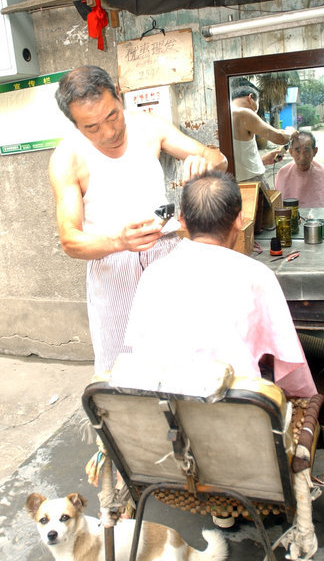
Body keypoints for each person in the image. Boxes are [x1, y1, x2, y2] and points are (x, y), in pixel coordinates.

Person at [49, 65, 227, 375]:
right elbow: (70, 241)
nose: (109, 132)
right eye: (92, 127)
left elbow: (218, 160)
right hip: (113, 269)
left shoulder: (148, 127)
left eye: (112, 116)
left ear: (118, 96)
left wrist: (205, 161)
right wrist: (117, 241)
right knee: (123, 370)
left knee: (183, 357)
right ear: (75, 125)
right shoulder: (67, 159)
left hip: (166, 258)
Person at [117, 170, 317, 399]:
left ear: (181, 218)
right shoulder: (257, 276)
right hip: (235, 415)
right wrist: (311, 401)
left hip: (163, 413)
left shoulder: (152, 274)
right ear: (240, 220)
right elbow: (289, 365)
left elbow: (140, 348)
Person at [231, 83, 297, 188]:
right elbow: (279, 138)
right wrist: (290, 131)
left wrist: (262, 160)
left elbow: (238, 159)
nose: (256, 110)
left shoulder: (224, 113)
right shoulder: (243, 113)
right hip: (252, 184)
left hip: (231, 185)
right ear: (251, 98)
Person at [274, 131, 324, 207]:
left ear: (315, 151)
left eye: (306, 151)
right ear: (291, 152)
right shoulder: (283, 173)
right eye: (297, 151)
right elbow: (278, 207)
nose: (302, 158)